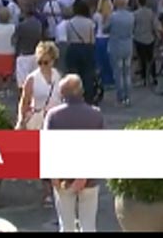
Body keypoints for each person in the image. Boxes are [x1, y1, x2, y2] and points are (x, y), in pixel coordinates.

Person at [45, 75, 104, 232]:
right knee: (89, 225)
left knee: (66, 226)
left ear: (62, 93)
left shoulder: (53, 115)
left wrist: (52, 176)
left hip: (62, 177)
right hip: (89, 178)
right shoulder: (96, 114)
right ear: (81, 91)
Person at [18, 42, 62, 208]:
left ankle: (56, 187)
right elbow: (24, 101)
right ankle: (47, 192)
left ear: (53, 60)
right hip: (41, 120)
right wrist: (22, 120)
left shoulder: (58, 76)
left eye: (46, 62)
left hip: (57, 120)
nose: (43, 65)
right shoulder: (32, 78)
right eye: (40, 62)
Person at [64, 0, 99, 104]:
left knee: (73, 74)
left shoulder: (69, 23)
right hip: (87, 48)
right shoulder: (90, 23)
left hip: (73, 48)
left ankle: (73, 97)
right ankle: (88, 98)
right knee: (87, 75)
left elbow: (68, 38)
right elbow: (92, 39)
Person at [106, 0, 135, 107]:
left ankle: (120, 97)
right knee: (127, 73)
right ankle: (128, 97)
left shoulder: (113, 16)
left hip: (115, 46)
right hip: (128, 45)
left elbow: (105, 28)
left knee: (118, 73)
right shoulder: (131, 16)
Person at [132, 0, 158, 88]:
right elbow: (154, 25)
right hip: (149, 38)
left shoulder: (135, 14)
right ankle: (154, 76)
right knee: (151, 58)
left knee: (142, 59)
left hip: (139, 38)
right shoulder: (151, 12)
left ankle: (143, 78)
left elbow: (133, 26)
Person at [0, 8, 17, 95]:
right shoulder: (13, 27)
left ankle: (0, 89)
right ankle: (7, 88)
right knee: (9, 71)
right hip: (9, 51)